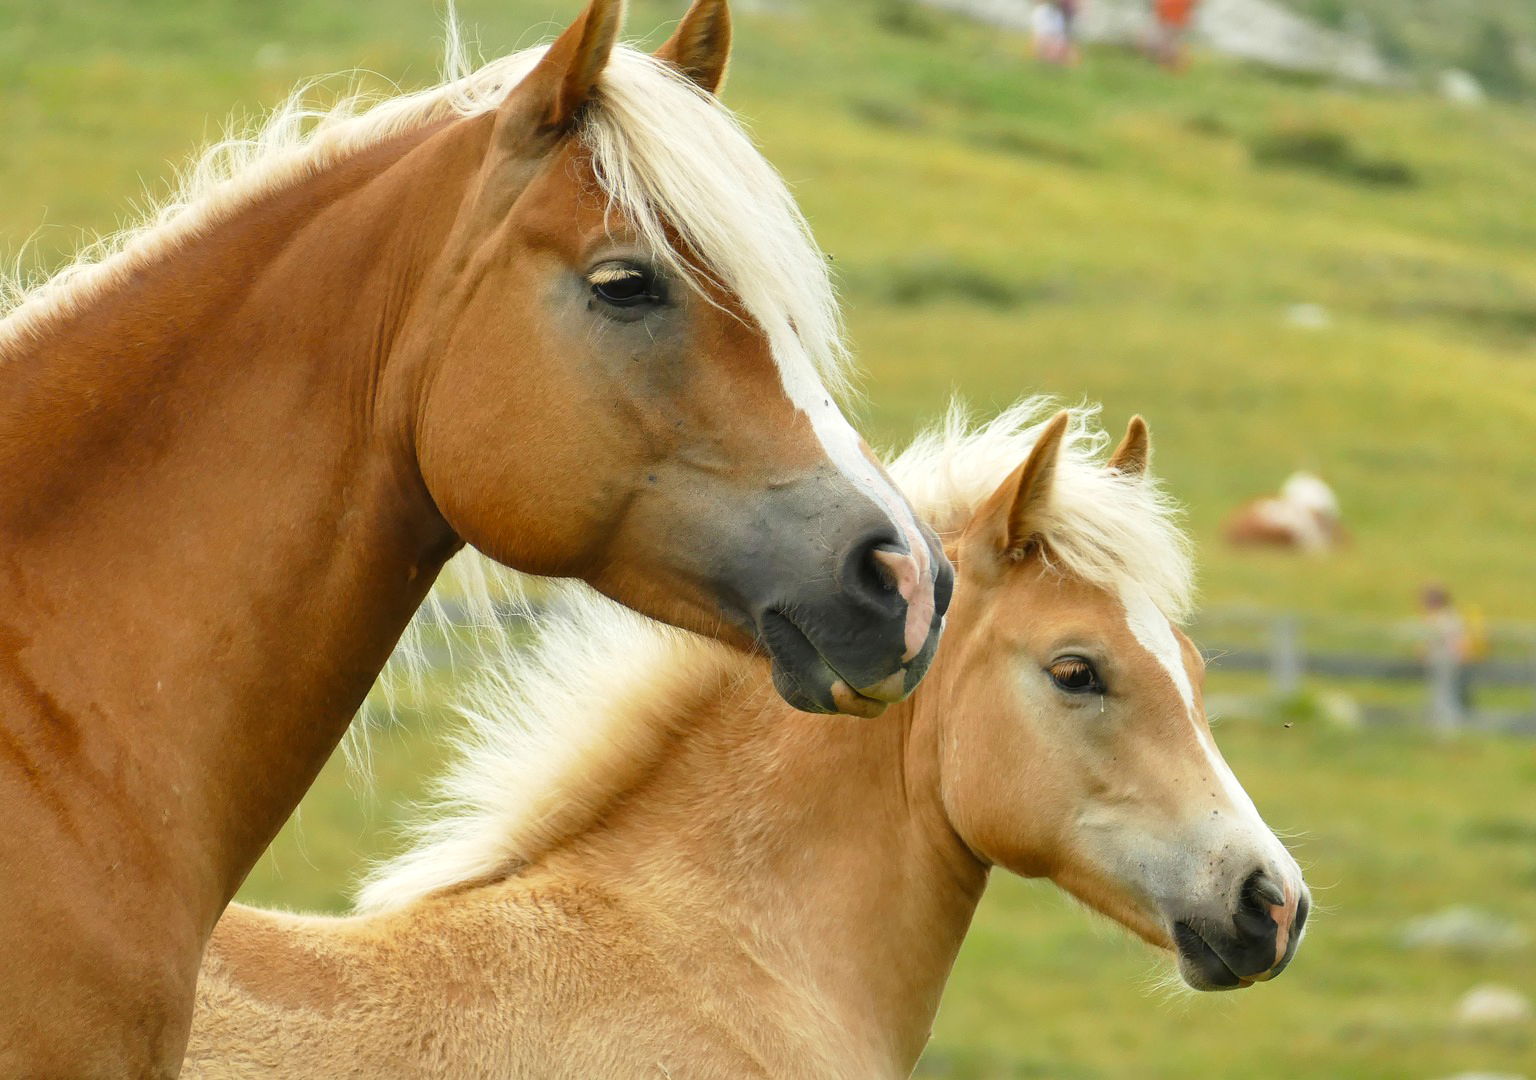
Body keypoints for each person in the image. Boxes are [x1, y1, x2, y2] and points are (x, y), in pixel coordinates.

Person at [1151, 0, 1199, 71]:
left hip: (1176, 24)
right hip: (1169, 23)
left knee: (1172, 45)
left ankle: (1173, 66)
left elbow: (1193, 5)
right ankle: (1169, 66)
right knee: (1169, 45)